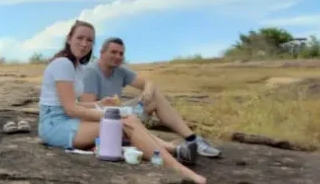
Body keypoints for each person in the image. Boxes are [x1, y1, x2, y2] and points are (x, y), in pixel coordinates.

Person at [38, 21, 206, 184]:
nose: (84, 44)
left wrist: (101, 103)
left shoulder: (77, 67)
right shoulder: (63, 64)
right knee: (124, 122)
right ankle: (179, 168)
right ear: (69, 38)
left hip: (66, 120)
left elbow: (74, 104)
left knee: (129, 120)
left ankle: (176, 154)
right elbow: (70, 109)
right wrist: (110, 114)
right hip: (54, 125)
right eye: (80, 38)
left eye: (89, 40)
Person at [79, 37, 222, 162]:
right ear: (102, 53)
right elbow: (89, 111)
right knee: (126, 120)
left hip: (120, 113)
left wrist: (147, 91)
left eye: (121, 53)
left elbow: (149, 82)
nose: (118, 56)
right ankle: (174, 149)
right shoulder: (92, 72)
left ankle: (192, 139)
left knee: (154, 96)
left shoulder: (120, 70)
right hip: (104, 121)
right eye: (113, 52)